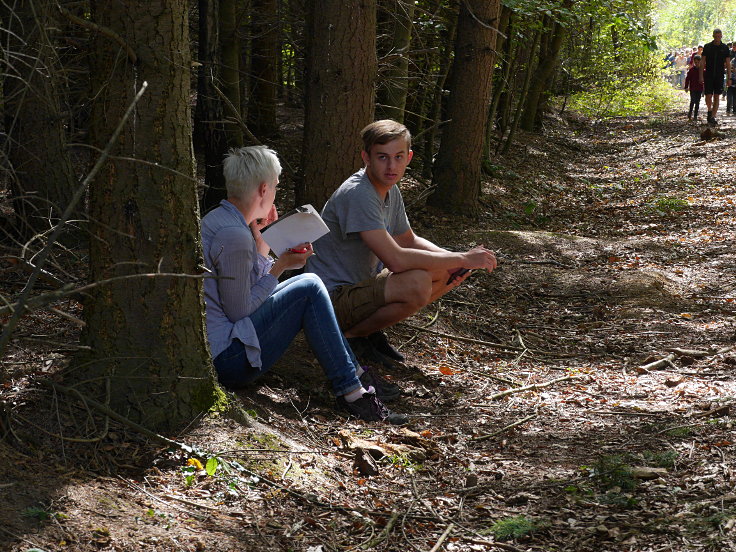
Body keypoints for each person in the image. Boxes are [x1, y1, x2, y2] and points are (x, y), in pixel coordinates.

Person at [201, 145, 407, 424]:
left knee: (309, 285)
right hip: (228, 359)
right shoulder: (234, 235)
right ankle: (354, 392)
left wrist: (261, 236)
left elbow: (245, 287)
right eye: (274, 186)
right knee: (309, 285)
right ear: (263, 190)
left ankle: (356, 380)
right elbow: (240, 311)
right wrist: (281, 265)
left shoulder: (223, 220)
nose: (275, 192)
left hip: (226, 345)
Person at [306, 120, 497, 369]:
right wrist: (462, 258)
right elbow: (396, 260)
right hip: (329, 302)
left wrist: (454, 261)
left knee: (443, 270)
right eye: (382, 157)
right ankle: (350, 340)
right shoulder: (359, 193)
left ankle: (366, 333)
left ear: (409, 157)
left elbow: (408, 240)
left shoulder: (389, 189)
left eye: (398, 157)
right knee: (417, 282)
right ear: (366, 157)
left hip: (358, 289)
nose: (391, 166)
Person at [701, 29, 732, 125]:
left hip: (719, 75)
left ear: (721, 36)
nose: (717, 38)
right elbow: (702, 62)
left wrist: (729, 78)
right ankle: (709, 110)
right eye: (716, 36)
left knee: (717, 96)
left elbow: (728, 63)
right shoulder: (707, 47)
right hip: (709, 75)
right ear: (713, 36)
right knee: (708, 96)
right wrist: (700, 75)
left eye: (719, 36)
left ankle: (713, 116)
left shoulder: (725, 48)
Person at [685, 55, 704, 121]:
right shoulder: (691, 70)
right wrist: (686, 87)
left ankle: (695, 115)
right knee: (692, 100)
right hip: (693, 88)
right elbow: (687, 79)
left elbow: (705, 80)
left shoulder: (703, 70)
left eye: (698, 62)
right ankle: (690, 112)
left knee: (697, 102)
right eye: (695, 62)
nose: (696, 63)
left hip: (699, 88)